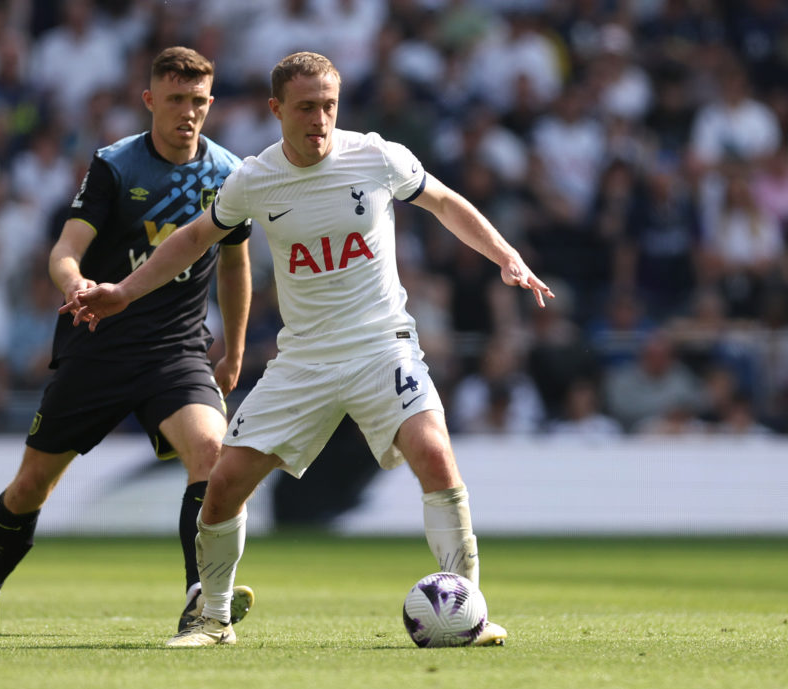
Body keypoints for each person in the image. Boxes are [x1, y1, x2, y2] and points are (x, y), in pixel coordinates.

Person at [65, 52, 553, 647]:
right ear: (276, 110)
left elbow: (446, 203)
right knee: (223, 485)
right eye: (305, 107)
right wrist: (123, 292)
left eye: (328, 105)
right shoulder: (252, 178)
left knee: (435, 455)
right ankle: (214, 619)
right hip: (304, 361)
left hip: (381, 345)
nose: (319, 119)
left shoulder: (377, 156)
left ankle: (467, 612)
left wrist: (506, 256)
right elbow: (194, 239)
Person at [0, 47, 254, 635]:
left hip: (175, 351)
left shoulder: (232, 173)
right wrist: (76, 282)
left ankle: (201, 601)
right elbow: (64, 249)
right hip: (98, 344)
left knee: (210, 455)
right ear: (150, 100)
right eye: (176, 100)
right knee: (31, 486)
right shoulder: (115, 165)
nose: (188, 113)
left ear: (211, 105)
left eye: (199, 102)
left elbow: (235, 267)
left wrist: (233, 347)